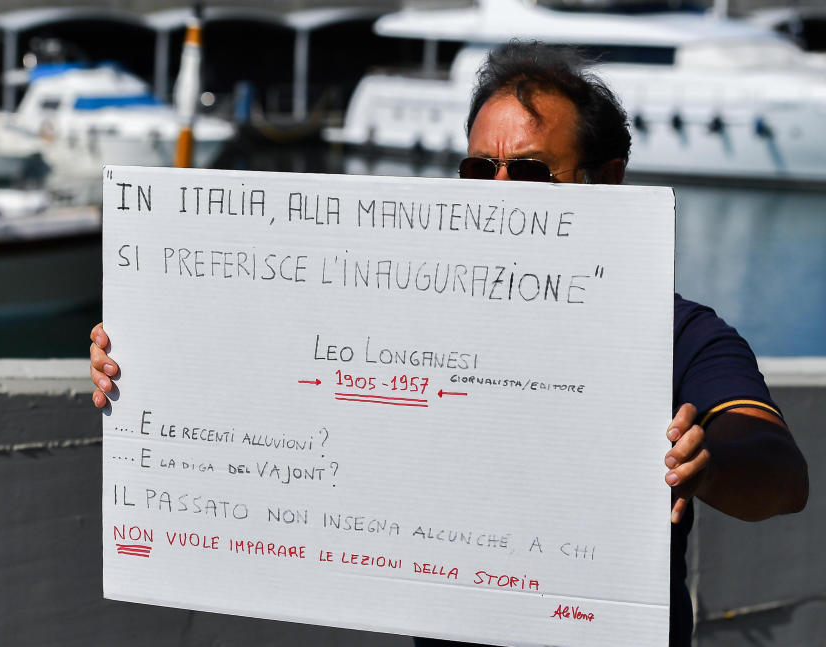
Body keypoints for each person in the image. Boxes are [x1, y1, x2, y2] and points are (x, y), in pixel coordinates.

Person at [89, 42, 808, 647]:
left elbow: (778, 471)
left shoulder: (681, 333)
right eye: (478, 170)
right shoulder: (397, 319)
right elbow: (267, 370)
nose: (497, 192)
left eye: (527, 171)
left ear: (606, 181)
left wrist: (706, 463)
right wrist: (146, 366)